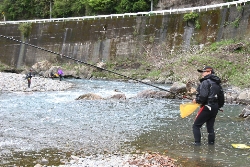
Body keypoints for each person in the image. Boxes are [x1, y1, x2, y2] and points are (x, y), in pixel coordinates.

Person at [192, 66, 224, 146]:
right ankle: (211, 145)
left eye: (204, 72)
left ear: (209, 72)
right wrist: (218, 106)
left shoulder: (205, 82)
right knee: (210, 128)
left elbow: (203, 96)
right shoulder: (217, 83)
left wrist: (196, 100)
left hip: (207, 107)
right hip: (215, 107)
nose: (202, 73)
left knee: (196, 126)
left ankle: (197, 145)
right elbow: (221, 97)